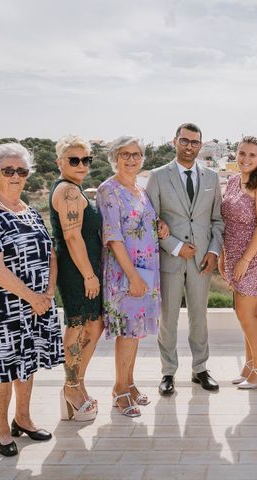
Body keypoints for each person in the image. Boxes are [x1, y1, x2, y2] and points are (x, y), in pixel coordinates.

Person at [0, 143, 63, 456]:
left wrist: (48, 293)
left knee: (28, 363)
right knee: (3, 369)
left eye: (22, 171)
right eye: (9, 170)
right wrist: (32, 297)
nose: (16, 176)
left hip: (37, 303)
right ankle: (1, 428)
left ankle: (23, 418)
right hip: (1, 309)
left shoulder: (29, 211)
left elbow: (50, 252)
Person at [146, 123, 224, 396]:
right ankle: (168, 372)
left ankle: (200, 369)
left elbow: (216, 221)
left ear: (200, 146)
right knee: (168, 319)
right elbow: (150, 221)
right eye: (184, 140)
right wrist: (176, 247)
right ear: (174, 142)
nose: (189, 146)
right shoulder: (157, 177)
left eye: (194, 142)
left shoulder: (212, 178)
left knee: (199, 317)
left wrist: (213, 251)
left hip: (203, 261)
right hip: (171, 260)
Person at [96, 136, 165, 417]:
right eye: (125, 154)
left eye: (136, 154)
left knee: (135, 333)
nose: (132, 159)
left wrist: (160, 226)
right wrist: (133, 277)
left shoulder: (139, 188)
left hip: (147, 271)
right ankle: (119, 390)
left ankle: (130, 383)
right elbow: (113, 237)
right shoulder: (108, 190)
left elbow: (144, 221)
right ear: (114, 157)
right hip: (126, 274)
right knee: (126, 332)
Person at [49, 135, 103, 422]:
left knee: (93, 325)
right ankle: (71, 388)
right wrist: (89, 275)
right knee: (78, 326)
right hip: (77, 272)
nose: (81, 164)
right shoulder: (68, 192)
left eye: (86, 159)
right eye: (74, 159)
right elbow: (71, 236)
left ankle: (76, 383)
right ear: (60, 162)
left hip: (84, 269)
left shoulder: (74, 189)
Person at [219, 136, 257, 389]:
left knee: (245, 311)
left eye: (252, 155)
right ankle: (250, 363)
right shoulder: (232, 181)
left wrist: (244, 260)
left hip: (254, 255)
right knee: (246, 312)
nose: (245, 159)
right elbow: (226, 223)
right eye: (242, 153)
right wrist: (224, 256)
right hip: (232, 254)